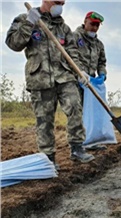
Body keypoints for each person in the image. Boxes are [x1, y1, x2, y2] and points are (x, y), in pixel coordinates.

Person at [5, 0, 95, 170]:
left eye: (62, 3)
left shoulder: (64, 28)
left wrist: (80, 72)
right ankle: (48, 157)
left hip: (64, 76)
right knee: (44, 120)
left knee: (75, 106)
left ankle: (77, 147)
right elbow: (13, 44)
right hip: (40, 78)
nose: (60, 5)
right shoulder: (25, 18)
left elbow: (72, 52)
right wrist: (29, 23)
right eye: (56, 2)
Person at [73, 11, 109, 150]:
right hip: (76, 80)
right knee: (78, 112)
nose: (94, 28)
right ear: (85, 21)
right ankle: (79, 143)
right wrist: (79, 73)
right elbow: (71, 56)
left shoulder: (99, 44)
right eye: (92, 24)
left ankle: (91, 141)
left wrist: (102, 74)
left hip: (91, 83)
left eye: (97, 26)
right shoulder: (75, 37)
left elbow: (102, 62)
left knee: (92, 113)